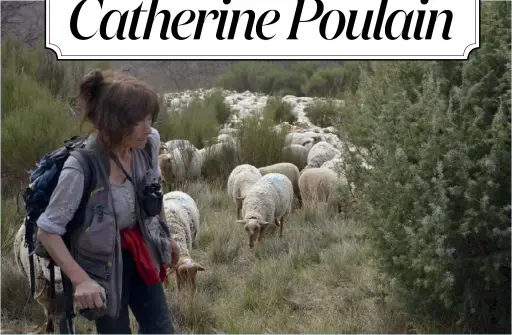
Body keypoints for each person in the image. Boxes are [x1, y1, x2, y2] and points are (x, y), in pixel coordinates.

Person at [36, 69, 179, 334]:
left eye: (150, 118)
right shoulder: (80, 168)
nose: (148, 128)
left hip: (140, 249)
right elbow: (48, 230)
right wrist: (81, 282)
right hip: (102, 263)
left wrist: (165, 235)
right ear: (114, 122)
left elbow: (152, 189)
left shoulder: (147, 145)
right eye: (138, 120)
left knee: (161, 327)